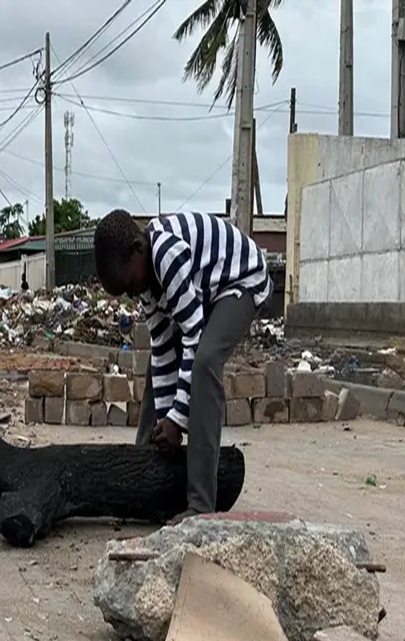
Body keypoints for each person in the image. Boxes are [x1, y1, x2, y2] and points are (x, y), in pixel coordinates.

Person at [92, 209, 272, 520]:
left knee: (205, 363)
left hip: (242, 280)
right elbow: (162, 349)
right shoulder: (144, 279)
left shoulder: (166, 256)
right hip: (205, 293)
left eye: (129, 284)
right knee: (155, 370)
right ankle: (142, 474)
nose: (132, 293)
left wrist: (179, 419)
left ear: (138, 250)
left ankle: (201, 505)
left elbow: (192, 334)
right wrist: (167, 422)